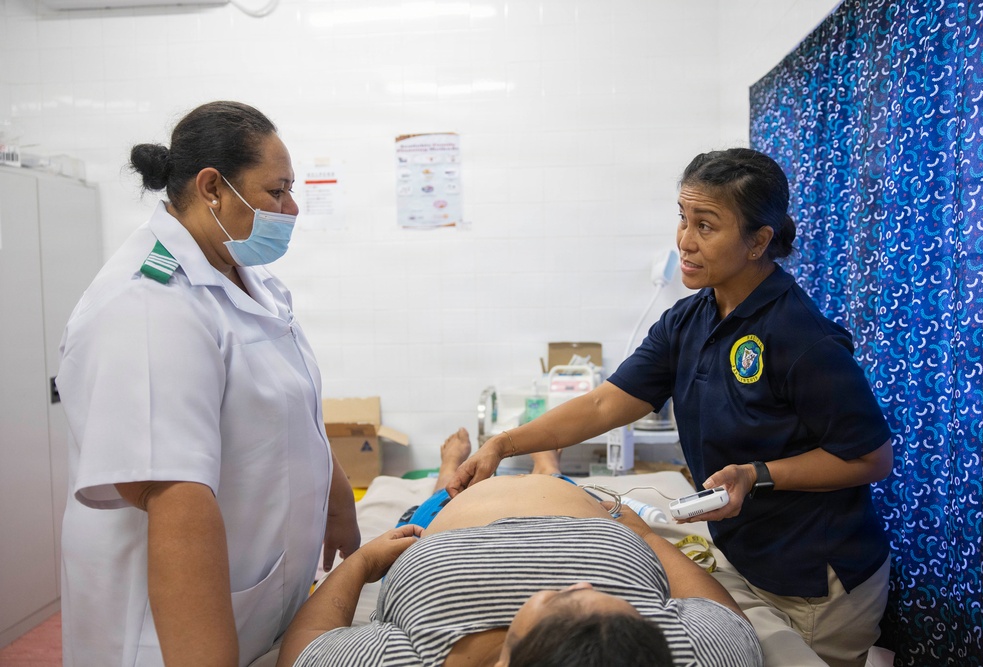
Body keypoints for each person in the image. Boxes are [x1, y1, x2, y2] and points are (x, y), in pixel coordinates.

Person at [447, 148, 894, 667]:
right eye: (683, 218)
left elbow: (871, 458)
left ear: (759, 241)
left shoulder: (801, 337)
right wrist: (504, 443)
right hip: (744, 556)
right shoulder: (690, 320)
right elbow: (601, 405)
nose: (684, 240)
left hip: (813, 585)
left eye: (706, 225)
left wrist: (759, 474)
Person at [56, 101, 360, 667]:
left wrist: (335, 500)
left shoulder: (249, 277)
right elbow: (171, 493)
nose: (292, 208)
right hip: (174, 629)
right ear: (212, 187)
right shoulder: (148, 305)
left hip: (258, 594)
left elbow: (294, 410)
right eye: (277, 191)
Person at [276, 428, 763, 667]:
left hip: (442, 528)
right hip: (582, 511)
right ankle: (548, 469)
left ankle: (449, 475)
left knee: (434, 503)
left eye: (562, 600)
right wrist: (649, 537)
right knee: (561, 482)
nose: (575, 582)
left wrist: (361, 564)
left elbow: (305, 650)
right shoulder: (675, 655)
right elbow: (728, 621)